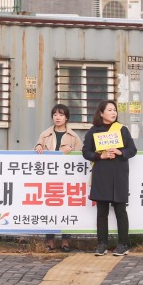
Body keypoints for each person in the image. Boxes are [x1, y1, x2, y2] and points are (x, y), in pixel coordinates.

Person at [82, 100, 137, 256]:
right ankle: (102, 244)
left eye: (115, 110)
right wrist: (100, 155)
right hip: (101, 174)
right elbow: (86, 152)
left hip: (119, 174)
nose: (113, 113)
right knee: (102, 211)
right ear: (101, 113)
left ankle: (123, 244)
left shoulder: (122, 130)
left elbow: (132, 150)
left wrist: (120, 152)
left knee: (120, 210)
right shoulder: (93, 131)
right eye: (110, 110)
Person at [34, 103, 83, 252]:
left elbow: (81, 154)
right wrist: (38, 147)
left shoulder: (73, 136)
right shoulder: (45, 134)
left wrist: (72, 150)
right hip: (49, 178)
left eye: (61, 115)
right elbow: (37, 149)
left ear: (66, 117)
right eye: (55, 114)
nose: (58, 117)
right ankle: (49, 241)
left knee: (66, 208)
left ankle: (65, 241)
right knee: (49, 208)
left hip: (67, 178)